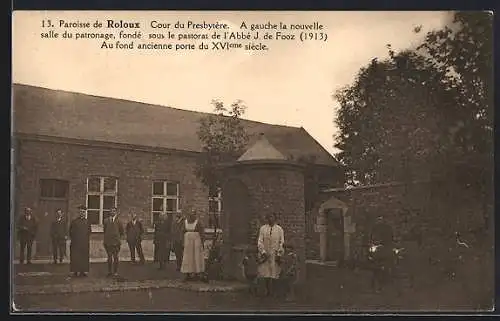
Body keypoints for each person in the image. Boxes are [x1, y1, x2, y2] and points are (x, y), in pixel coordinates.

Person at [257, 213, 285, 297]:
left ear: (275, 218)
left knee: (275, 272)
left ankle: (274, 291)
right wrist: (263, 252)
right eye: (268, 217)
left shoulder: (279, 229)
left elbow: (282, 242)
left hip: (275, 253)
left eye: (272, 217)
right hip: (266, 253)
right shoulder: (263, 229)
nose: (270, 219)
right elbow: (260, 241)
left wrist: (279, 253)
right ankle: (267, 290)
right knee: (265, 272)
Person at [180, 209, 206, 282]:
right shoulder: (185, 222)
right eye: (190, 214)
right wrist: (182, 242)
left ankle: (197, 273)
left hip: (196, 241)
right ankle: (188, 273)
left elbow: (202, 232)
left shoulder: (198, 222)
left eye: (193, 214)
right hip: (188, 242)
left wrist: (202, 242)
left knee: (197, 257)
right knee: (188, 257)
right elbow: (182, 232)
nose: (192, 216)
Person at [69, 205, 91, 277]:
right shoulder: (74, 221)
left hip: (84, 243)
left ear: (85, 213)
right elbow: (71, 231)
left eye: (83, 212)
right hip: (76, 243)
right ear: (79, 212)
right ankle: (75, 271)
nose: (82, 213)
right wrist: (75, 239)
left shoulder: (87, 222)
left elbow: (89, 232)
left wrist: (85, 239)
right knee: (76, 257)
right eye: (81, 212)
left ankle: (83, 271)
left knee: (83, 257)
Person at [103, 208, 124, 277]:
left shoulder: (119, 221)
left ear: (116, 212)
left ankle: (115, 272)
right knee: (109, 257)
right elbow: (105, 230)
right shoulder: (106, 221)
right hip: (108, 242)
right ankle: (109, 272)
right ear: (109, 212)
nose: (112, 212)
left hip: (116, 243)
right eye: (111, 211)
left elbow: (121, 232)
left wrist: (117, 238)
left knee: (115, 257)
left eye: (114, 211)